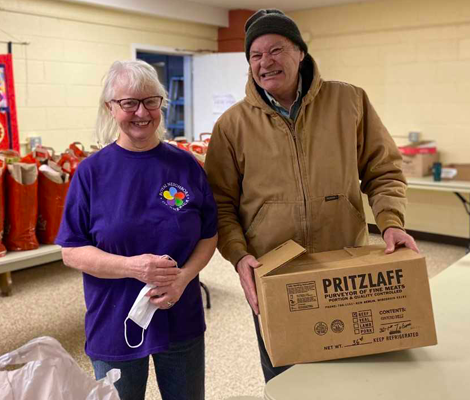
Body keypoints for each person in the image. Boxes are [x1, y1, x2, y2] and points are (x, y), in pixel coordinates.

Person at [204, 9, 419, 383]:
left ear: (300, 52)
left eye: (276, 49)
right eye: (255, 56)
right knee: (287, 380)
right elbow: (219, 203)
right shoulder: (232, 125)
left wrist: (391, 223)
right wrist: (239, 257)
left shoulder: (349, 101)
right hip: (275, 276)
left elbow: (383, 170)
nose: (265, 62)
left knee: (351, 377)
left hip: (343, 270)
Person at [55, 59, 218, 400]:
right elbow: (71, 250)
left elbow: (208, 234)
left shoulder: (185, 165)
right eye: (129, 103)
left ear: (161, 104)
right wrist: (133, 267)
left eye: (150, 101)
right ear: (110, 108)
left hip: (180, 315)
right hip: (114, 322)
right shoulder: (91, 173)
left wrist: (184, 277)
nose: (141, 112)